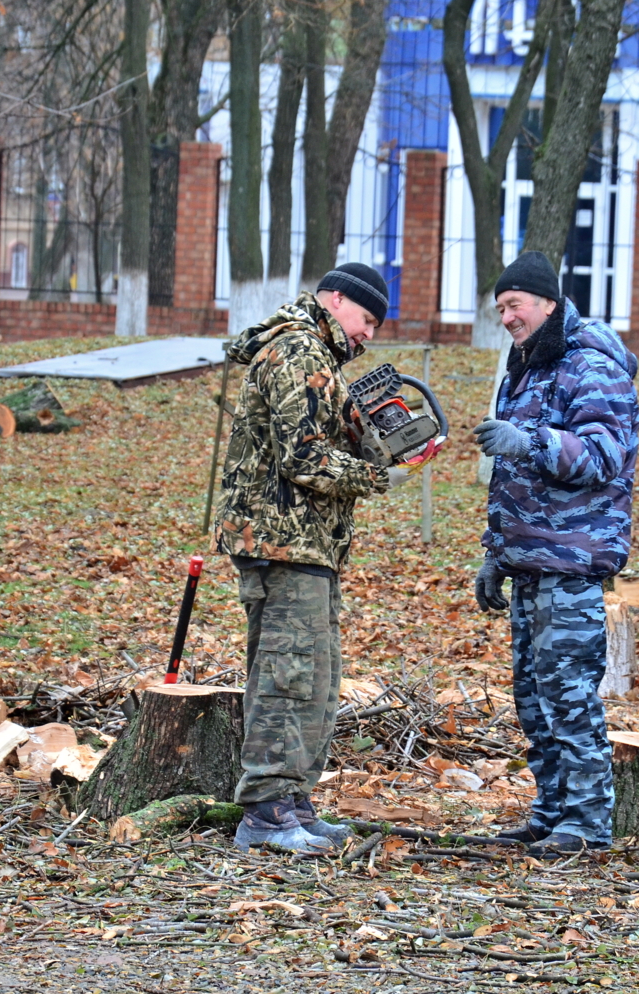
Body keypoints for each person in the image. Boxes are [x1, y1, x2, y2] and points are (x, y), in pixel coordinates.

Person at [214, 263, 406, 853]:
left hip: (309, 545)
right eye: (366, 318)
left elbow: (319, 445)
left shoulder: (319, 357)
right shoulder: (299, 351)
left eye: (376, 324)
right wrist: (376, 476)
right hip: (281, 544)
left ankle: (293, 801)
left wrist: (370, 438)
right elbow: (303, 459)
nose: (368, 332)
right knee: (287, 677)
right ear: (335, 299)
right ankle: (265, 813)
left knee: (317, 681)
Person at [471, 250, 639, 858]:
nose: (507, 318)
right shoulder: (527, 369)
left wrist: (530, 440)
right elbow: (513, 482)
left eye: (515, 305)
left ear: (547, 302)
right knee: (533, 702)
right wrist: (496, 554)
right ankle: (551, 815)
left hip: (571, 566)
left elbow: (602, 456)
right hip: (528, 565)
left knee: (569, 697)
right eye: (500, 309)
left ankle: (587, 824)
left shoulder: (591, 366)